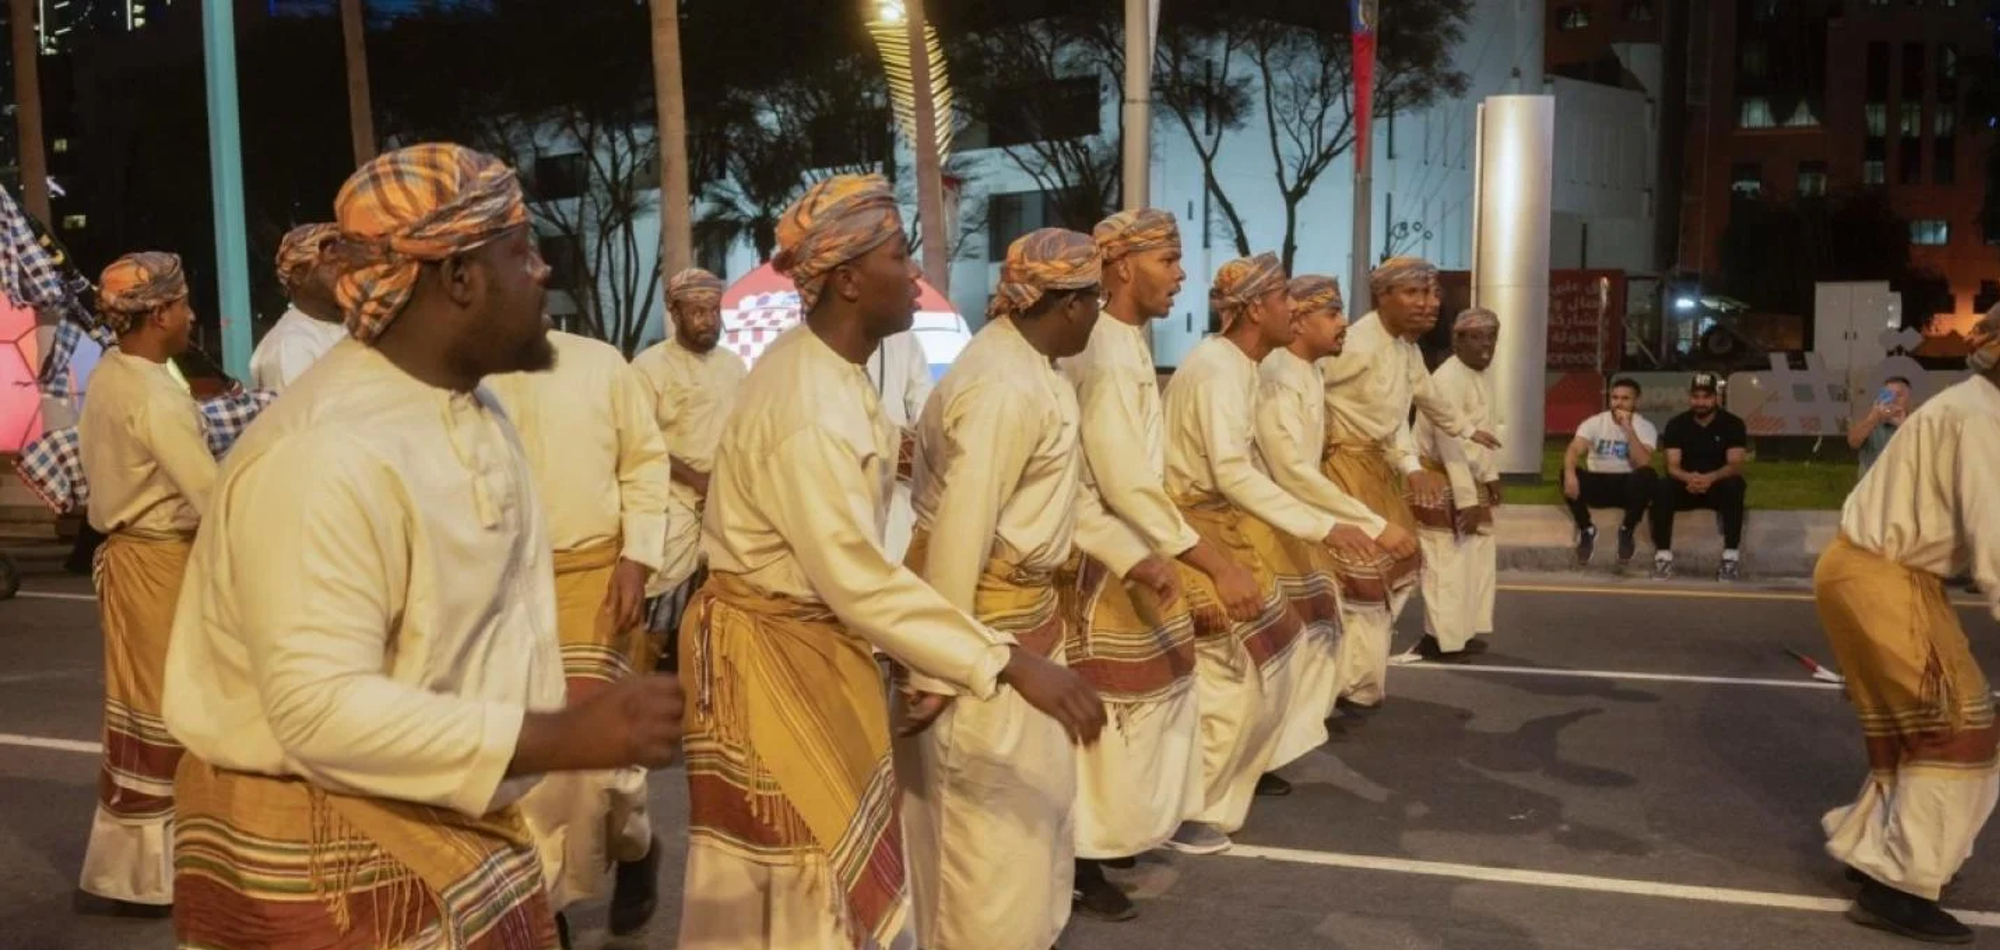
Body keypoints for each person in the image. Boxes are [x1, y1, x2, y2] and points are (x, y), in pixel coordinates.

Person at [162, 143, 684, 950]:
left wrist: (562, 710)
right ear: (459, 279)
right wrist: (561, 735)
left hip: (448, 826)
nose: (542, 271)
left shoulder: (468, 407)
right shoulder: (325, 452)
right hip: (336, 866)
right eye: (521, 252)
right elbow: (318, 709)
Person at [676, 173, 1105, 950]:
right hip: (772, 653)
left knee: (821, 880)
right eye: (900, 256)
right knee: (792, 880)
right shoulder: (808, 403)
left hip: (812, 642)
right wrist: (1001, 661)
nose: (916, 275)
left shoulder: (833, 376)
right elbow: (856, 576)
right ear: (846, 279)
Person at [897, 228, 1169, 950]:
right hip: (984, 629)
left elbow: (1059, 499)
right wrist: (939, 662)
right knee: (985, 838)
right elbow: (962, 530)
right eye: (1095, 299)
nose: (1100, 312)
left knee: (1034, 822)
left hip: (1026, 619)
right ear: (1070, 304)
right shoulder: (1002, 388)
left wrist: (1135, 557)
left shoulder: (1036, 369)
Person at [1059, 208, 1262, 918]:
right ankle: (1083, 860)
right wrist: (1214, 563)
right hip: (1100, 557)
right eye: (1168, 260)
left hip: (1134, 545)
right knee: (1111, 712)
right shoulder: (1106, 350)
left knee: (1149, 701)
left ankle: (1112, 840)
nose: (1182, 275)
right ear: (1121, 268)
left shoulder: (1124, 342)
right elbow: (1122, 481)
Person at [1165, 253, 1381, 842]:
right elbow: (1233, 471)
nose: (1296, 307)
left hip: (1225, 523)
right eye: (1286, 297)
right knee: (1235, 676)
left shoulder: (1240, 366)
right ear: (1257, 308)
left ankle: (1224, 788)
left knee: (1271, 660)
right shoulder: (1215, 367)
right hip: (1198, 530)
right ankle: (1192, 810)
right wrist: (1323, 526)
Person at [1814, 305, 2000, 945]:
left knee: (1913, 731)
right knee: (1960, 731)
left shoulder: (1975, 407)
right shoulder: (1980, 419)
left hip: (1875, 574)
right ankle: (1900, 885)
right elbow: (1995, 533)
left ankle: (1879, 860)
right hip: (1883, 577)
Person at [486, 328, 674, 939]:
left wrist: (637, 559)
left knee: (600, 762)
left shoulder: (600, 363)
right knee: (522, 767)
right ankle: (550, 912)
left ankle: (638, 849)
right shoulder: (463, 370)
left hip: (592, 578)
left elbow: (645, 461)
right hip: (498, 586)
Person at [73, 251, 216, 915]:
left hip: (134, 558)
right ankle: (145, 878)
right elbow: (210, 496)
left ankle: (136, 872)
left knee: (138, 714)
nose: (190, 315)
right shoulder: (157, 393)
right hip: (160, 561)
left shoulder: (113, 374)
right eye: (183, 304)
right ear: (160, 313)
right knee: (166, 716)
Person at [1318, 256, 1499, 713]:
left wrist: (1457, 434)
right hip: (1338, 471)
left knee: (1398, 570)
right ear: (1384, 297)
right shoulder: (1354, 344)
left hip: (1378, 470)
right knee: (1357, 580)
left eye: (1433, 293)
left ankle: (1356, 680)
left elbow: (1416, 404)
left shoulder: (1405, 349)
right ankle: (1336, 685)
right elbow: (1308, 388)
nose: (1430, 303)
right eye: (1416, 293)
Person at [1254, 275, 1417, 756]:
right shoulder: (1279, 373)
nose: (1343, 323)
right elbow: (1288, 471)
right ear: (1297, 320)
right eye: (1331, 313)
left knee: (1324, 626)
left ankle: (1291, 740)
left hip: (1304, 512)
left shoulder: (1311, 369)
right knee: (1295, 638)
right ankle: (1264, 754)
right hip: (1271, 519)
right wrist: (1371, 524)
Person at [630, 267, 749, 668]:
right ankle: (639, 700)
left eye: (713, 310)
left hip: (724, 505)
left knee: (724, 617)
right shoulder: (649, 368)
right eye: (696, 311)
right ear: (674, 312)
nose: (707, 320)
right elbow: (638, 442)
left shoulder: (733, 367)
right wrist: (696, 479)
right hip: (671, 504)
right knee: (658, 619)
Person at [1412, 308, 1504, 661]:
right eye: (1478, 337)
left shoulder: (1478, 374)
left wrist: (1491, 476)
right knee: (1445, 562)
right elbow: (1449, 441)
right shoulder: (1448, 378)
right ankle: (1437, 640)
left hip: (1470, 478)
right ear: (1458, 341)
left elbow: (1483, 433)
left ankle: (1461, 634)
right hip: (1442, 477)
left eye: (1492, 337)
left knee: (1474, 560)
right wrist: (1467, 498)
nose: (1487, 345)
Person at [1653, 372, 1749, 581]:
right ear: (1690, 398)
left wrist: (1710, 478)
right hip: (1686, 485)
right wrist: (1688, 478)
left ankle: (1730, 558)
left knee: (1735, 485)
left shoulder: (1733, 424)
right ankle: (1663, 557)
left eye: (1706, 397)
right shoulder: (1677, 424)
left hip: (1718, 485)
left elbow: (1735, 464)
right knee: (1662, 487)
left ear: (1717, 398)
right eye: (1696, 397)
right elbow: (1672, 465)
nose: (1700, 402)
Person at [1563, 378, 1659, 569]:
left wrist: (1628, 430)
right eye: (1614, 398)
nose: (1619, 403)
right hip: (1599, 481)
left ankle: (1627, 530)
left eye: (1625, 398)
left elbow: (1642, 462)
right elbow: (1574, 449)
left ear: (1636, 401)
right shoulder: (1594, 422)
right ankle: (1587, 529)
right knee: (1567, 471)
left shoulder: (1645, 427)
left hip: (1626, 484)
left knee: (1648, 475)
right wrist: (1569, 474)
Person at [248, 222, 349, 393]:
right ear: (298, 275)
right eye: (335, 263)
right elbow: (302, 418)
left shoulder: (357, 328)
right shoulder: (290, 347)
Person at [869, 327, 935, 562]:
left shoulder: (902, 339)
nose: (916, 296)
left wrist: (915, 446)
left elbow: (928, 410)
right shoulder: (802, 351)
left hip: (898, 496)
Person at [1847, 375, 1912, 478]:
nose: (1894, 400)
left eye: (1899, 395)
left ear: (1908, 400)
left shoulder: (1917, 424)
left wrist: (1903, 427)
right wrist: (1874, 417)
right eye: (1889, 395)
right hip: (1872, 487)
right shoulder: (1871, 423)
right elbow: (1853, 442)